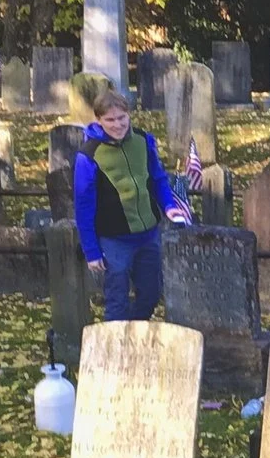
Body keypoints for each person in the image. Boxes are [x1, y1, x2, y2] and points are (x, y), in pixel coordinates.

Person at [70, 72, 191, 321]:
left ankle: (135, 335)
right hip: (114, 240)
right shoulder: (88, 155)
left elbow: (157, 177)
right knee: (117, 299)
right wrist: (91, 251)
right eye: (110, 120)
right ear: (99, 120)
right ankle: (114, 349)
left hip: (148, 235)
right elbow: (83, 205)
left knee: (150, 293)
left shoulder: (143, 141)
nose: (118, 125)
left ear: (129, 115)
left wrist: (168, 205)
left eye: (122, 118)